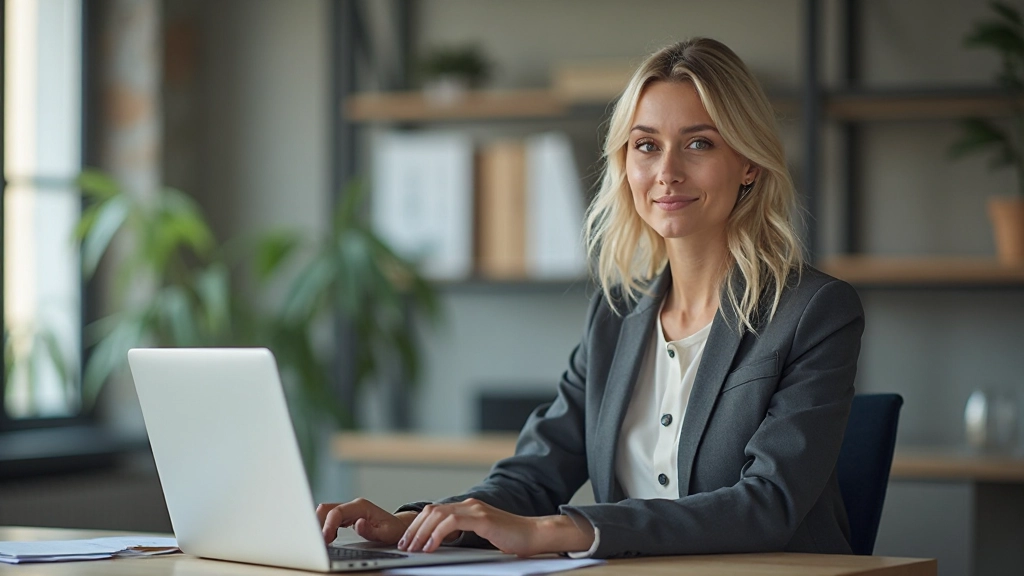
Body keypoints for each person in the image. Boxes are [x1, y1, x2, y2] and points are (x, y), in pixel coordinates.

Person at [317, 37, 863, 559]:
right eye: (646, 145)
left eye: (699, 143)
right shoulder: (618, 314)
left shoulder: (813, 312)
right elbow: (535, 474)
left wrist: (561, 529)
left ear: (748, 162)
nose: (666, 173)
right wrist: (417, 524)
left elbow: (768, 504)